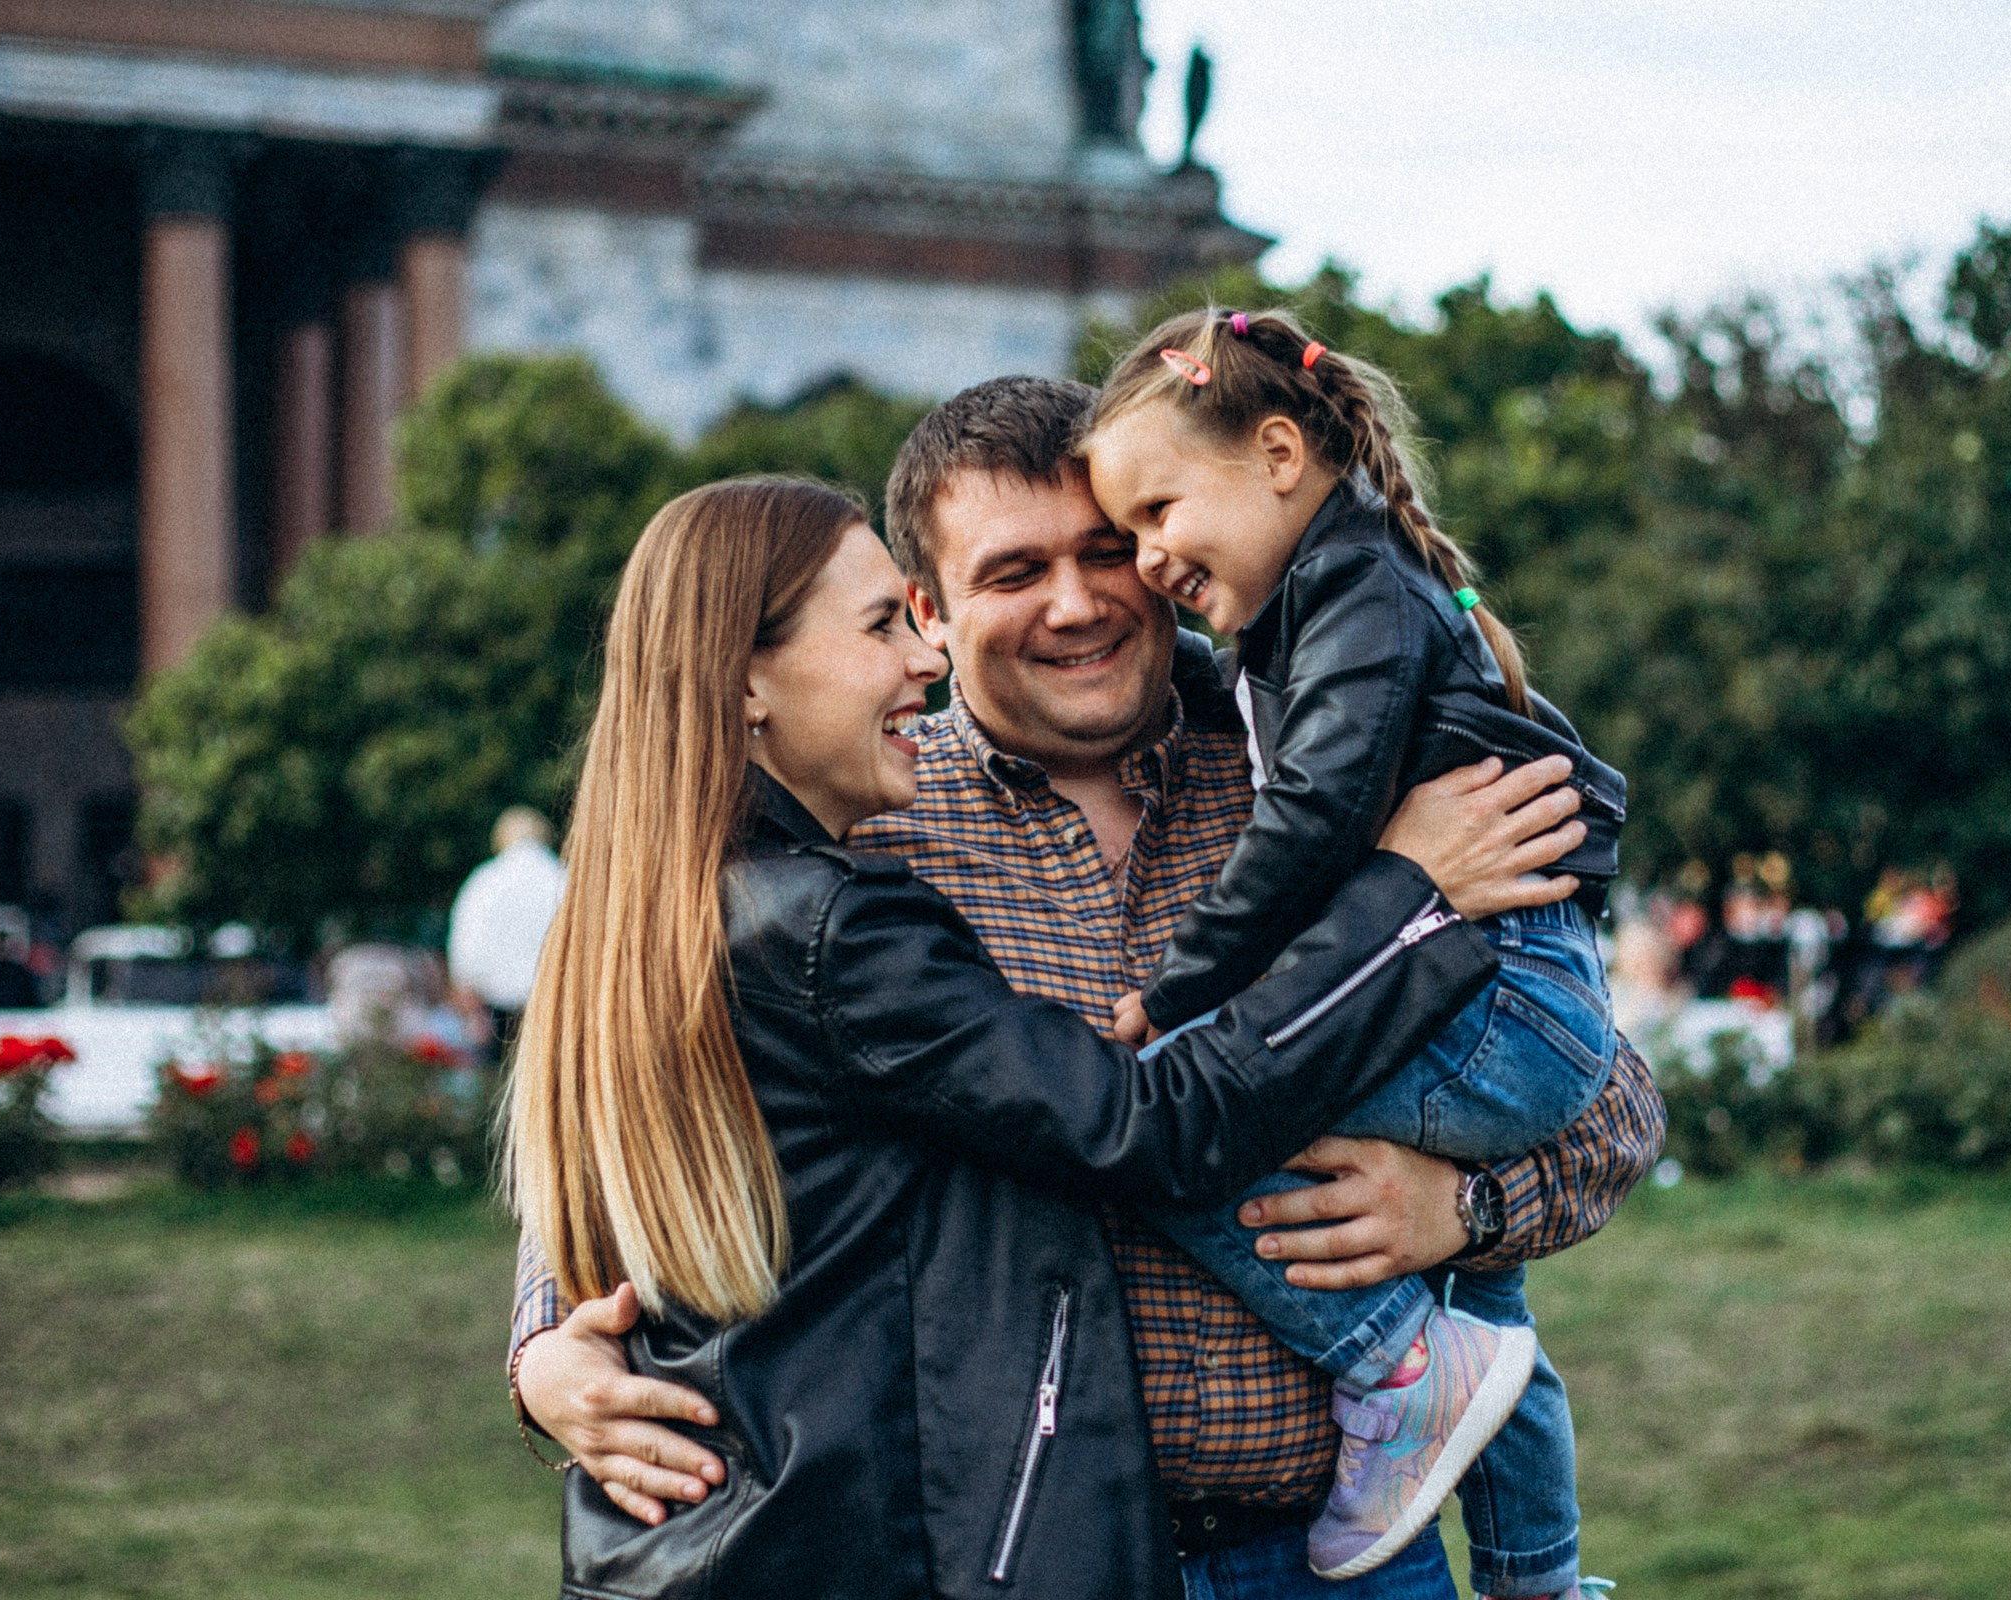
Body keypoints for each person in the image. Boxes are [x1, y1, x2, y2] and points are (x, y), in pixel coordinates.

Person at [512, 379, 1666, 1600]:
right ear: (929, 608)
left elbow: (1612, 1097)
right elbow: (638, 1109)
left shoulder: (1338, 769)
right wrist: (548, 1335)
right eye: (1013, 572)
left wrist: (1466, 1207)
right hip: (1030, 1549)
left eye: (1109, 550)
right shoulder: (866, 822)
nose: (1075, 603)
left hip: (1344, 1553)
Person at [1078, 309, 1628, 1584]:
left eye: (1159, 512)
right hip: (1512, 1000)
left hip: (1491, 1007)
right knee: (1489, 1314)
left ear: (1279, 453)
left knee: (1181, 1116)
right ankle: (1535, 1573)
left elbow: (1315, 812)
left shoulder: (1354, 594)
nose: (1147, 560)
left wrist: (1182, 989)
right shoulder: (1317, 615)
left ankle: (1389, 1355)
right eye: (1133, 535)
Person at [445, 804, 566, 1049]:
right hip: (555, 1008)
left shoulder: (484, 881)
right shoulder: (562, 879)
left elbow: (465, 951)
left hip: (496, 1013)